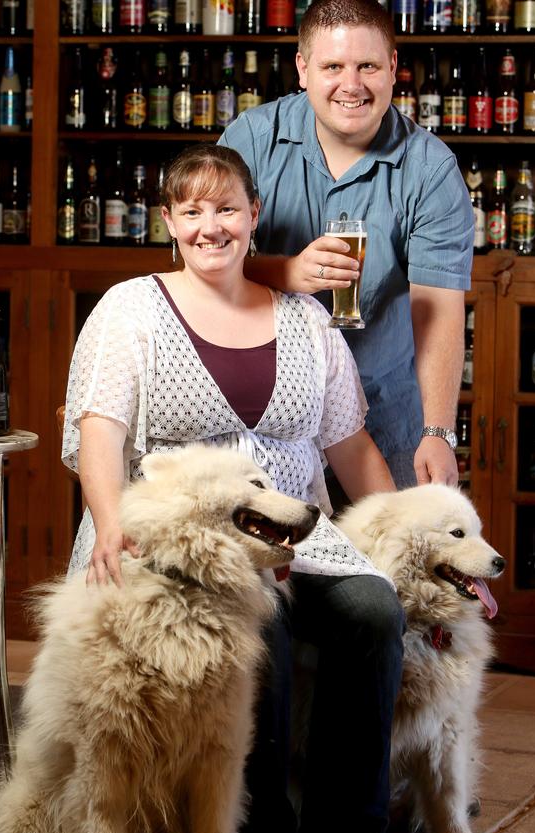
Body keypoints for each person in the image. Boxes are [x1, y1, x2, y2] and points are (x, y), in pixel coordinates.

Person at [62, 144, 405, 833]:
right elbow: (100, 432)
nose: (209, 227)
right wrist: (110, 524)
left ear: (254, 218)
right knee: (263, 620)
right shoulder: (131, 311)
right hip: (178, 547)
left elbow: (351, 448)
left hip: (296, 537)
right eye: (191, 211)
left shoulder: (308, 320)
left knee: (375, 608)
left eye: (226, 209)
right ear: (168, 222)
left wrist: (408, 542)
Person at [219, 0, 474, 492]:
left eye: (368, 66)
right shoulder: (249, 140)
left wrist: (438, 431)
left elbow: (437, 308)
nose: (351, 85)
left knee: (391, 563)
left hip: (386, 417)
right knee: (270, 566)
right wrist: (286, 273)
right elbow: (204, 269)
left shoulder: (431, 169)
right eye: (333, 66)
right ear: (302, 68)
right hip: (265, 414)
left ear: (394, 69)